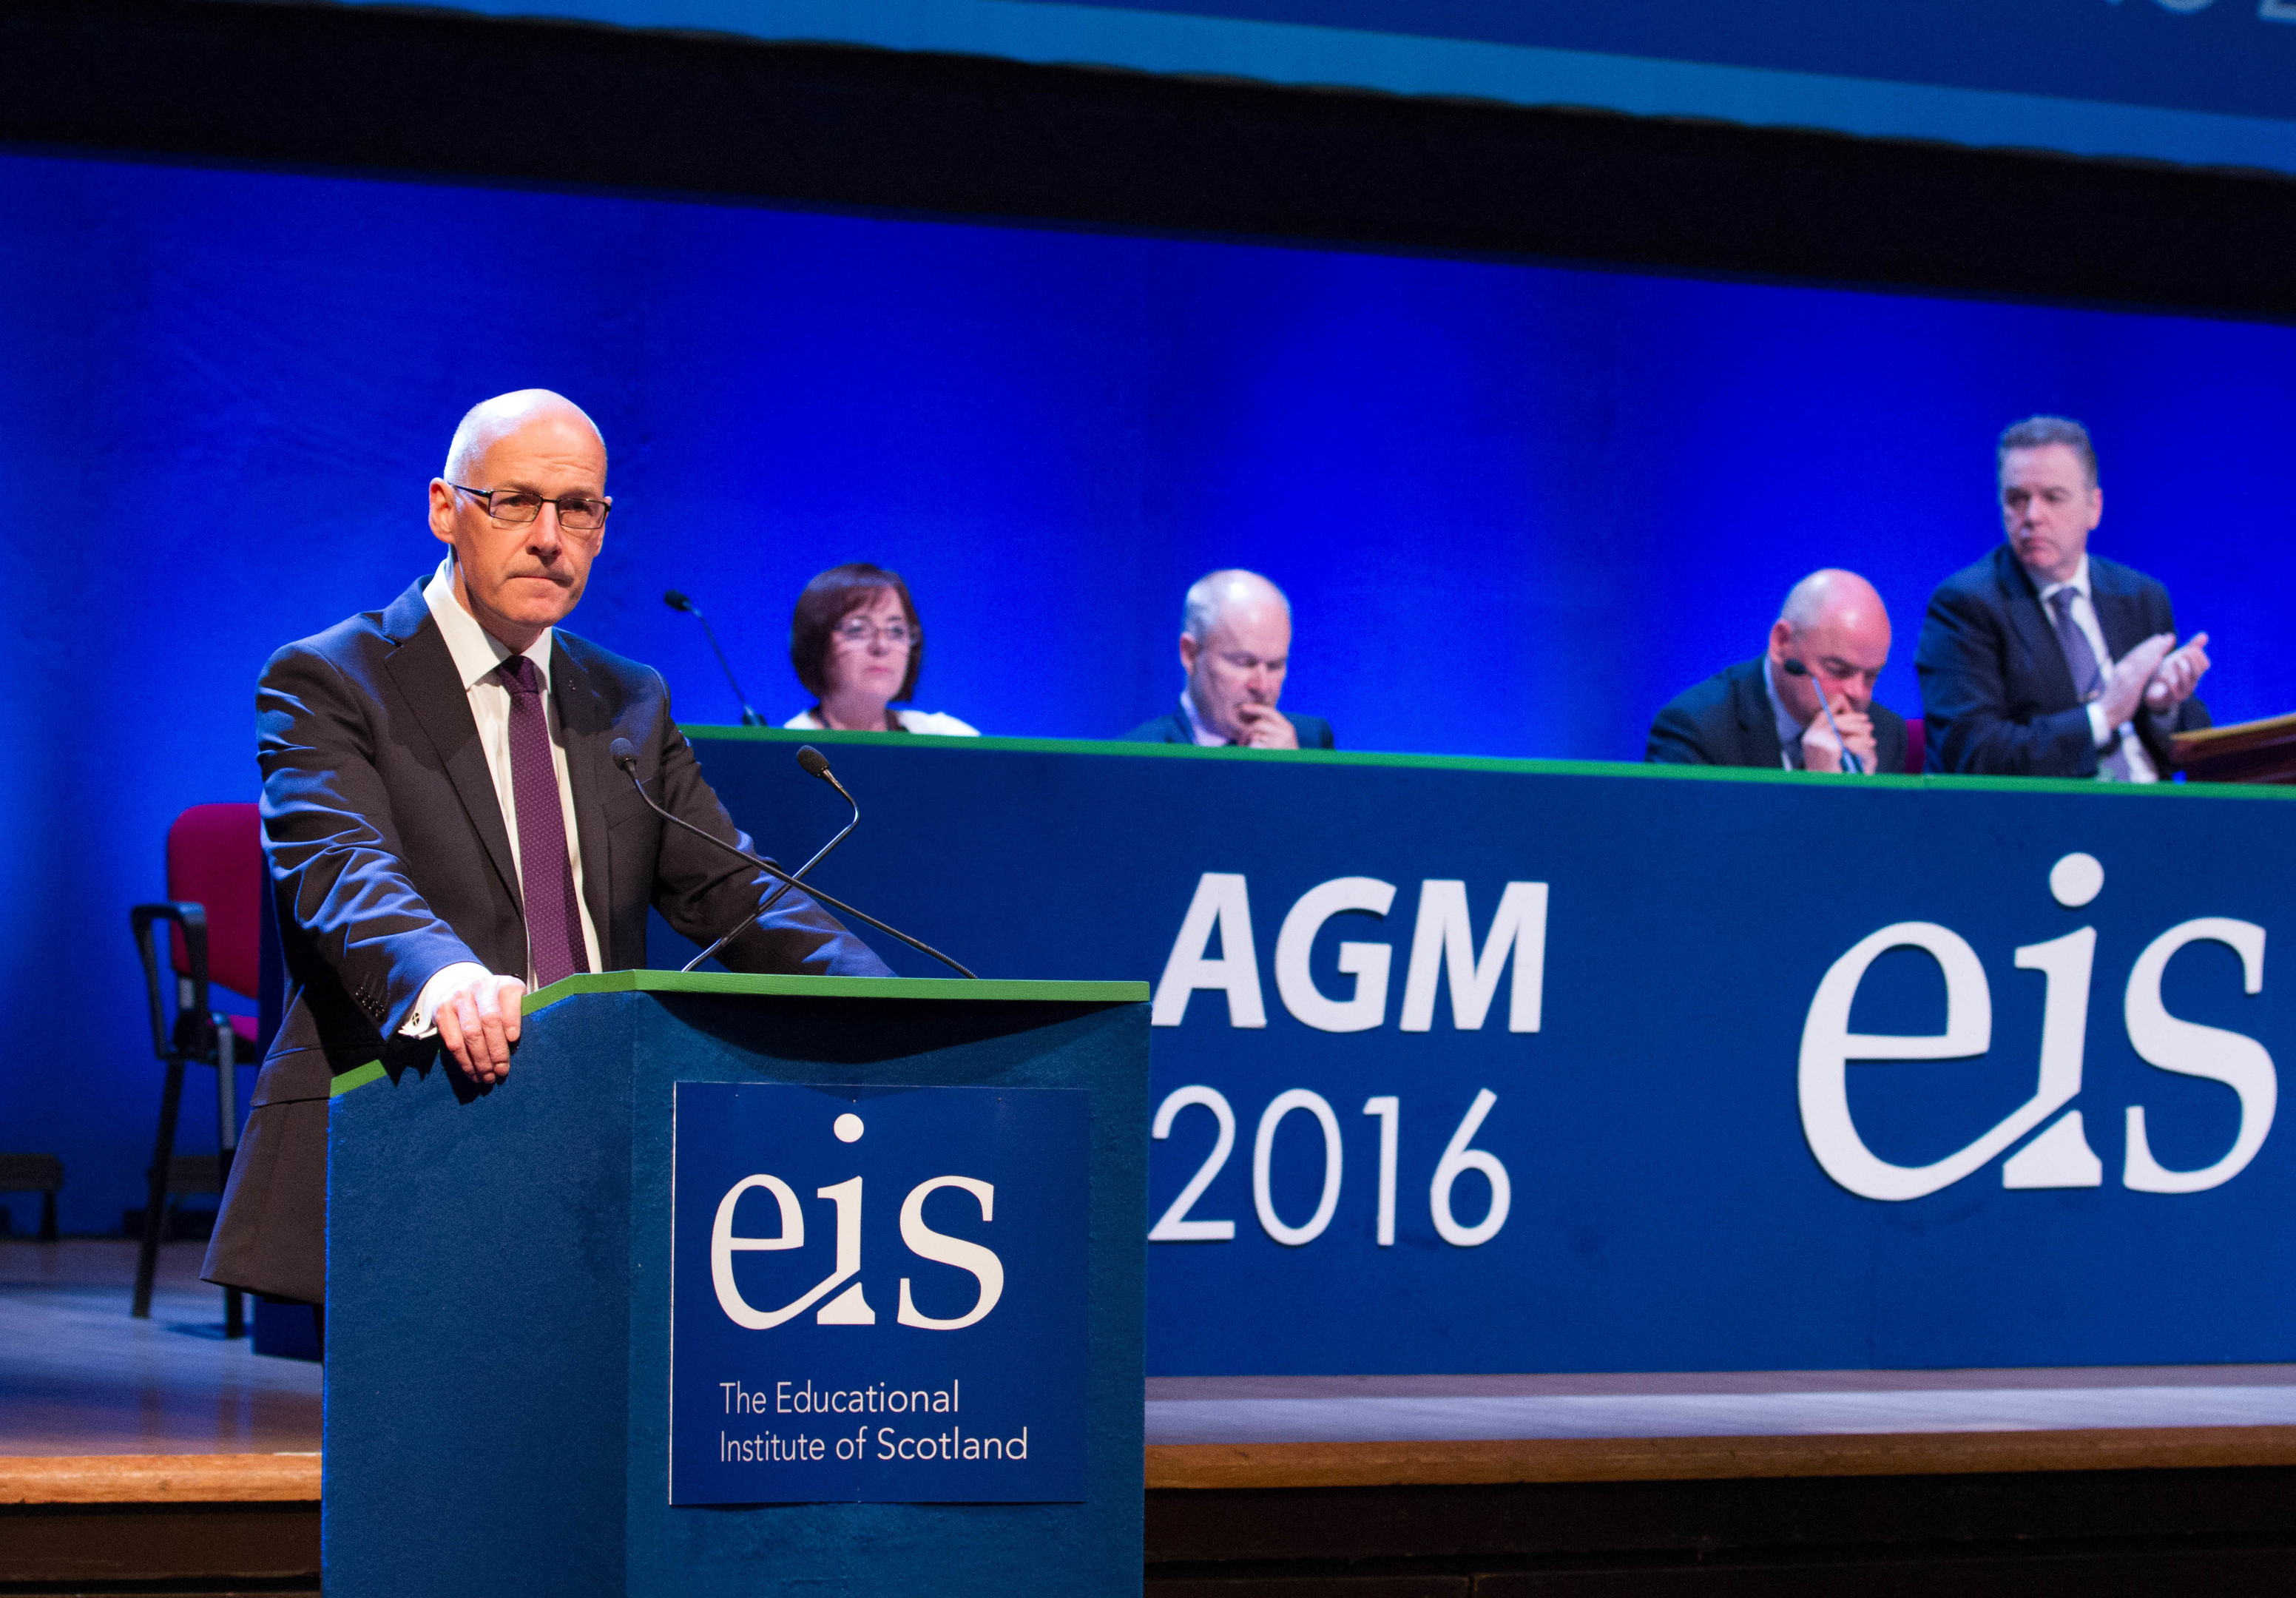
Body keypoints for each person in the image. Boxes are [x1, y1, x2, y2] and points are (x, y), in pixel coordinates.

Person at [203, 391, 889, 1308]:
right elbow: (339, 867)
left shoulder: (628, 698)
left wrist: (888, 1004)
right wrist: (445, 980)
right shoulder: (331, 678)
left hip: (602, 1141)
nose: (548, 536)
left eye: (578, 509)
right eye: (515, 501)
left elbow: (736, 892)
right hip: (415, 1123)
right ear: (447, 509)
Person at [1917, 416, 2209, 778]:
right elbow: (1974, 755)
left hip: (2155, 814)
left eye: (2053, 498)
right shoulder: (1965, 605)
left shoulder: (2141, 597)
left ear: (2094, 508)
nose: (2032, 517)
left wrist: (2162, 708)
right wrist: (2104, 715)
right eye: (2017, 499)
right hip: (2047, 825)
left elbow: (2188, 751)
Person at [1647, 569, 1908, 772]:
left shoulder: (1884, 734)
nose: (1857, 693)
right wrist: (1821, 794)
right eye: (1837, 669)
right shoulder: (1697, 728)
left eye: (1872, 675)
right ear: (1781, 643)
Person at [1126, 570, 1334, 748]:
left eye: (1275, 666)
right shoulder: (1136, 757)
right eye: (1244, 663)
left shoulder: (1311, 743)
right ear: (1190, 654)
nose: (1261, 687)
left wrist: (1296, 775)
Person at [783, 563, 978, 736]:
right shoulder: (789, 752)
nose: (882, 646)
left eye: (896, 630)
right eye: (858, 629)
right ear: (816, 643)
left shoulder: (945, 738)